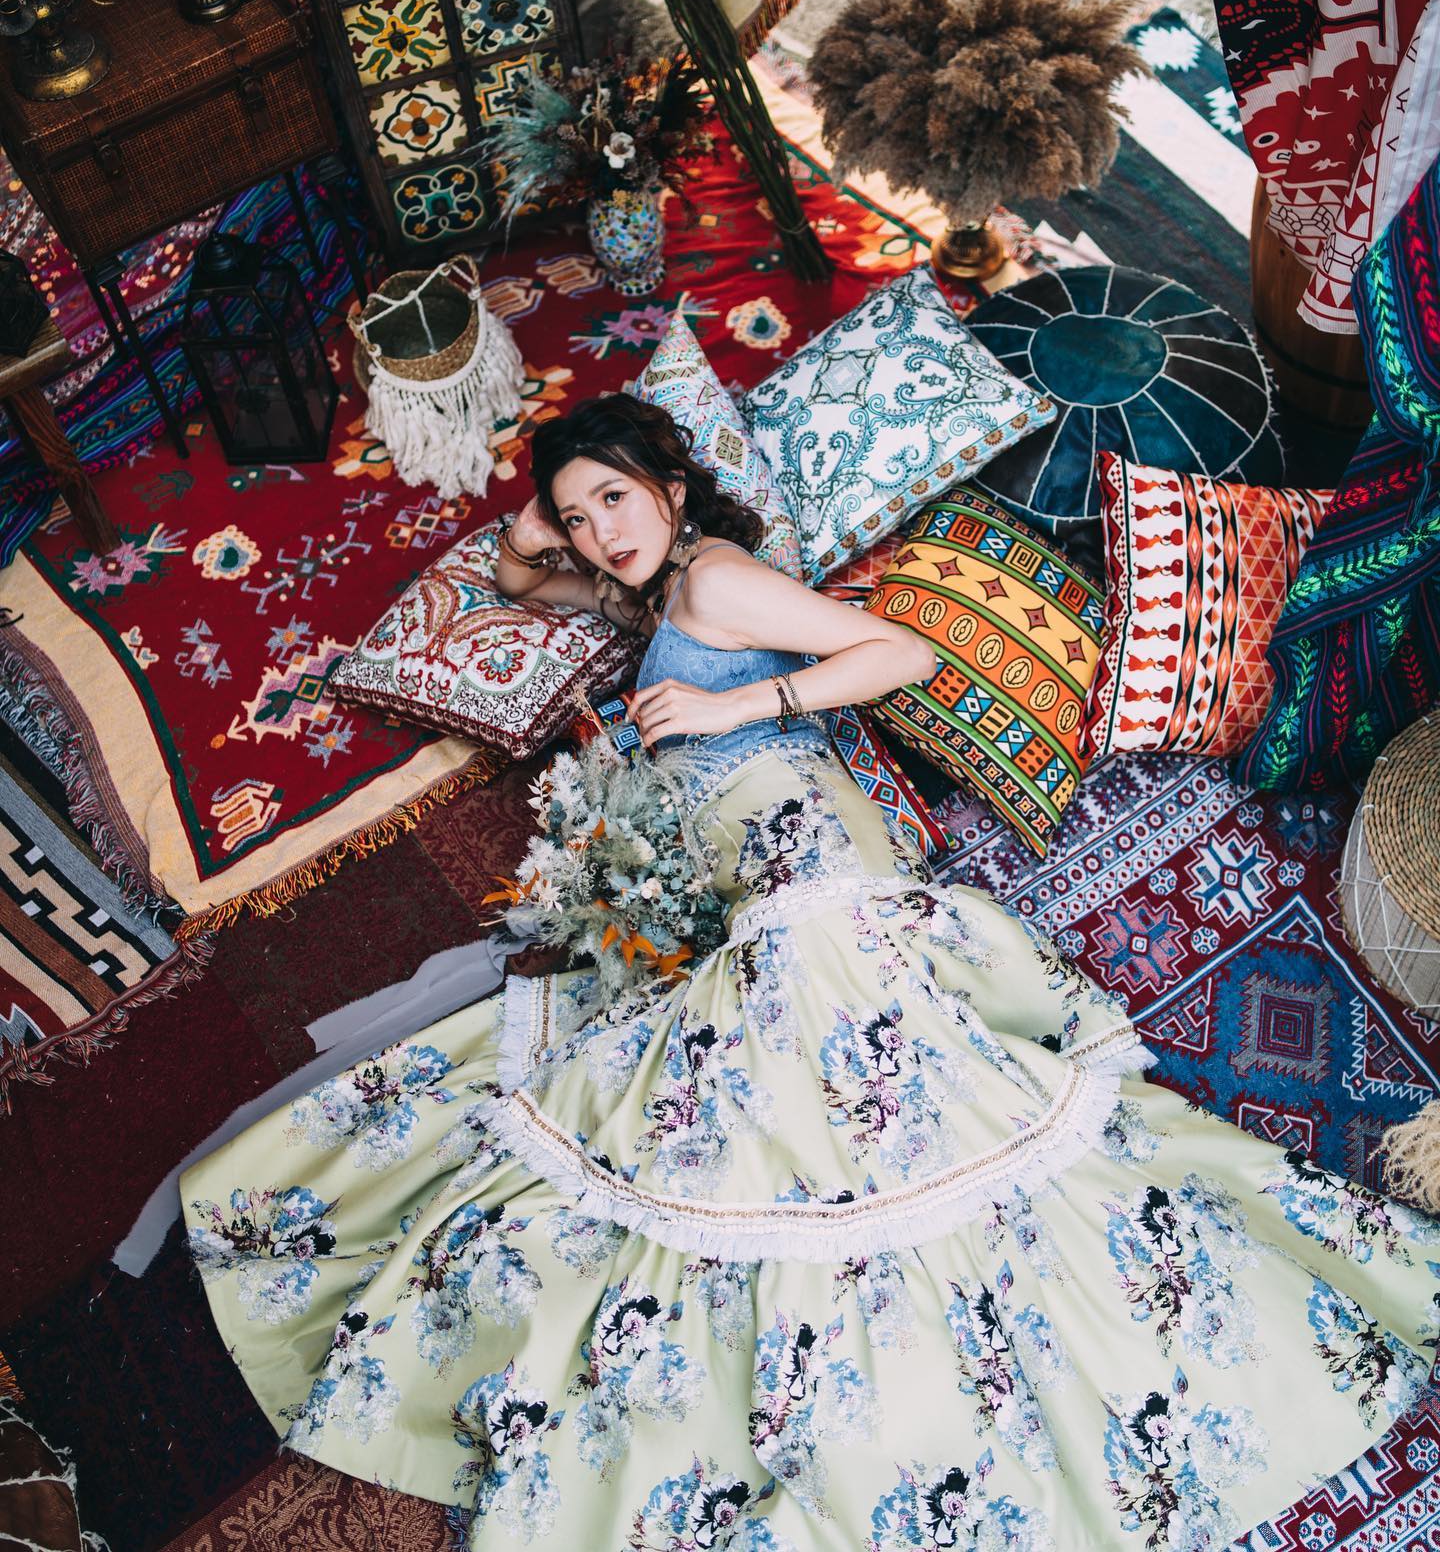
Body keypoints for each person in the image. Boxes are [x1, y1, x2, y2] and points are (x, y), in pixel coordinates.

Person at [182, 394, 1440, 1551]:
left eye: (615, 497)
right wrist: (550, 515)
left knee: (813, 1146)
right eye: (580, 514)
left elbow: (899, 655)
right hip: (761, 915)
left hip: (818, 901)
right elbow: (516, 577)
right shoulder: (649, 599)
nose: (599, 530)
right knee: (734, 1132)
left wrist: (734, 711)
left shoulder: (716, 582)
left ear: (672, 485)